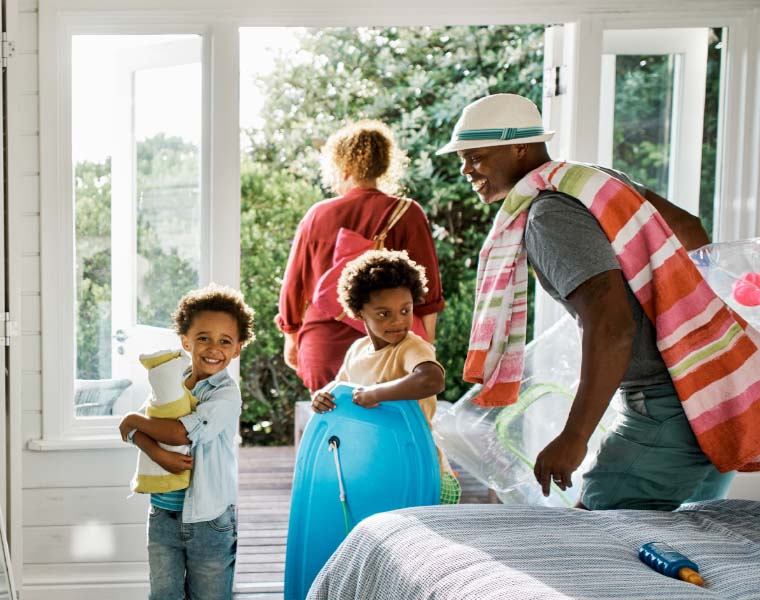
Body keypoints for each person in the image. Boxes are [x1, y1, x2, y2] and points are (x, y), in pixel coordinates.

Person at [437, 93, 759, 511]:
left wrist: (574, 436)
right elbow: (690, 230)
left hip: (666, 408)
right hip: (712, 390)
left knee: (598, 533)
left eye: (476, 157)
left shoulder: (548, 214)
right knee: (685, 541)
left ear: (519, 147)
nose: (466, 170)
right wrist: (680, 313)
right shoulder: (595, 182)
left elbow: (611, 325)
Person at [277, 119, 445, 393]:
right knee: (387, 427)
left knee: (334, 427)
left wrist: (292, 337)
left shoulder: (317, 215)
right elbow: (428, 290)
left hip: (323, 342)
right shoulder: (407, 213)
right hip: (389, 339)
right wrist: (424, 342)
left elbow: (293, 285)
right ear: (385, 166)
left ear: (343, 167)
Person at [119, 284, 255, 600]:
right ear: (186, 341)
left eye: (225, 341)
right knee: (163, 595)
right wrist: (153, 448)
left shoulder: (225, 394)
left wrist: (133, 422)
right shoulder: (172, 382)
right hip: (163, 516)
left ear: (237, 348)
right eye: (203, 338)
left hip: (210, 520)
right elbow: (145, 430)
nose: (213, 348)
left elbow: (179, 432)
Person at [309, 249, 458, 503]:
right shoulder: (357, 351)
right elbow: (339, 389)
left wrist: (377, 393)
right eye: (383, 313)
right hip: (376, 467)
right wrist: (321, 397)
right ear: (359, 313)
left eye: (405, 310)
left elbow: (432, 379)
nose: (398, 321)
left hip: (418, 468)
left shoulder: (411, 347)